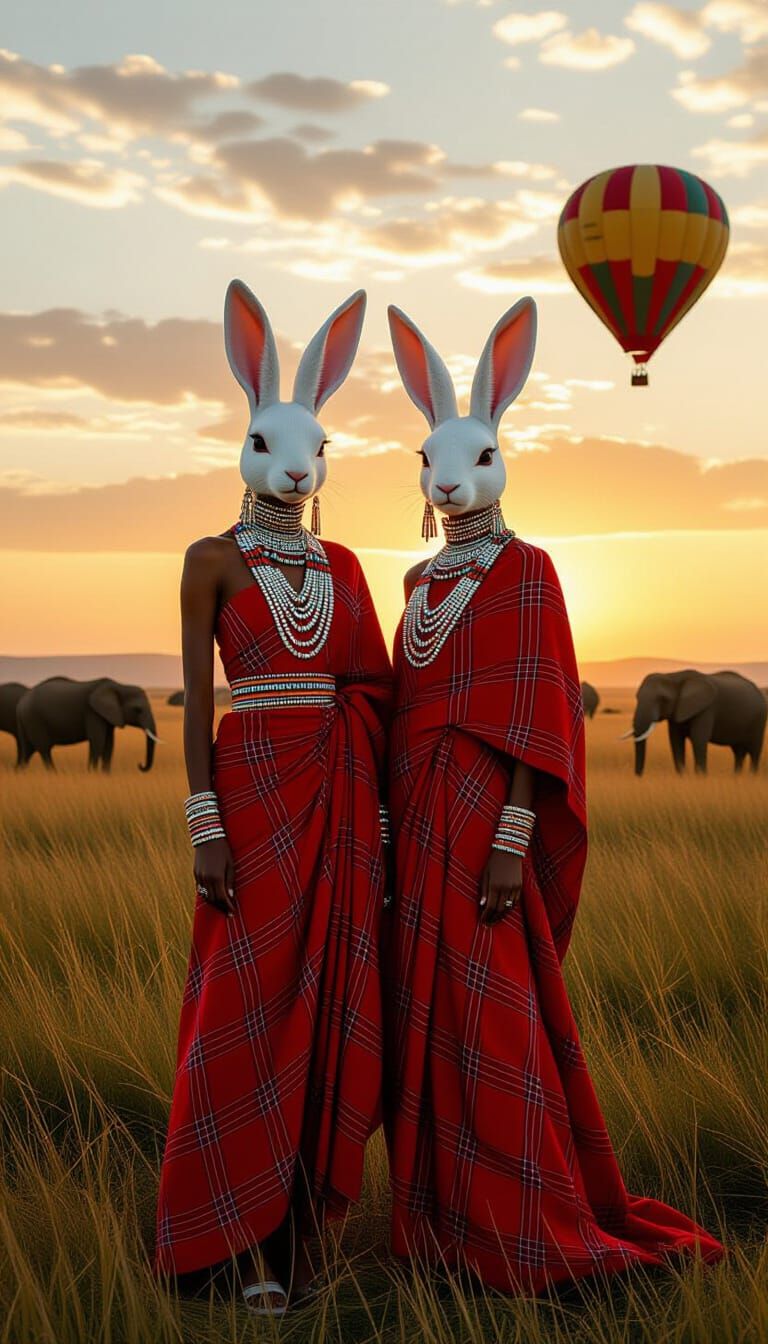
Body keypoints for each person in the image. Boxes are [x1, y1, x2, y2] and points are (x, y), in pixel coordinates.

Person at [383, 297, 724, 1293]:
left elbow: (537, 711)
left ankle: (528, 1220)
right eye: (432, 462)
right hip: (416, 827)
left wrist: (511, 837)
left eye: (471, 458)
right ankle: (439, 1227)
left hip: (487, 823)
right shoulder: (414, 582)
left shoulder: (529, 572)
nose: (448, 480)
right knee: (425, 1019)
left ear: (499, 458)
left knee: (495, 1017)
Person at [155, 281, 393, 1316]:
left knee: (327, 1015)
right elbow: (197, 708)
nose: (297, 465)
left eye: (315, 448)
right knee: (237, 1015)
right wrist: (205, 828)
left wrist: (378, 825)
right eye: (275, 442)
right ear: (247, 443)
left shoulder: (345, 565)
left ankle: (298, 1258)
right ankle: (215, 1245)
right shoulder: (209, 561)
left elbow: (374, 694)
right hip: (248, 805)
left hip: (336, 812)